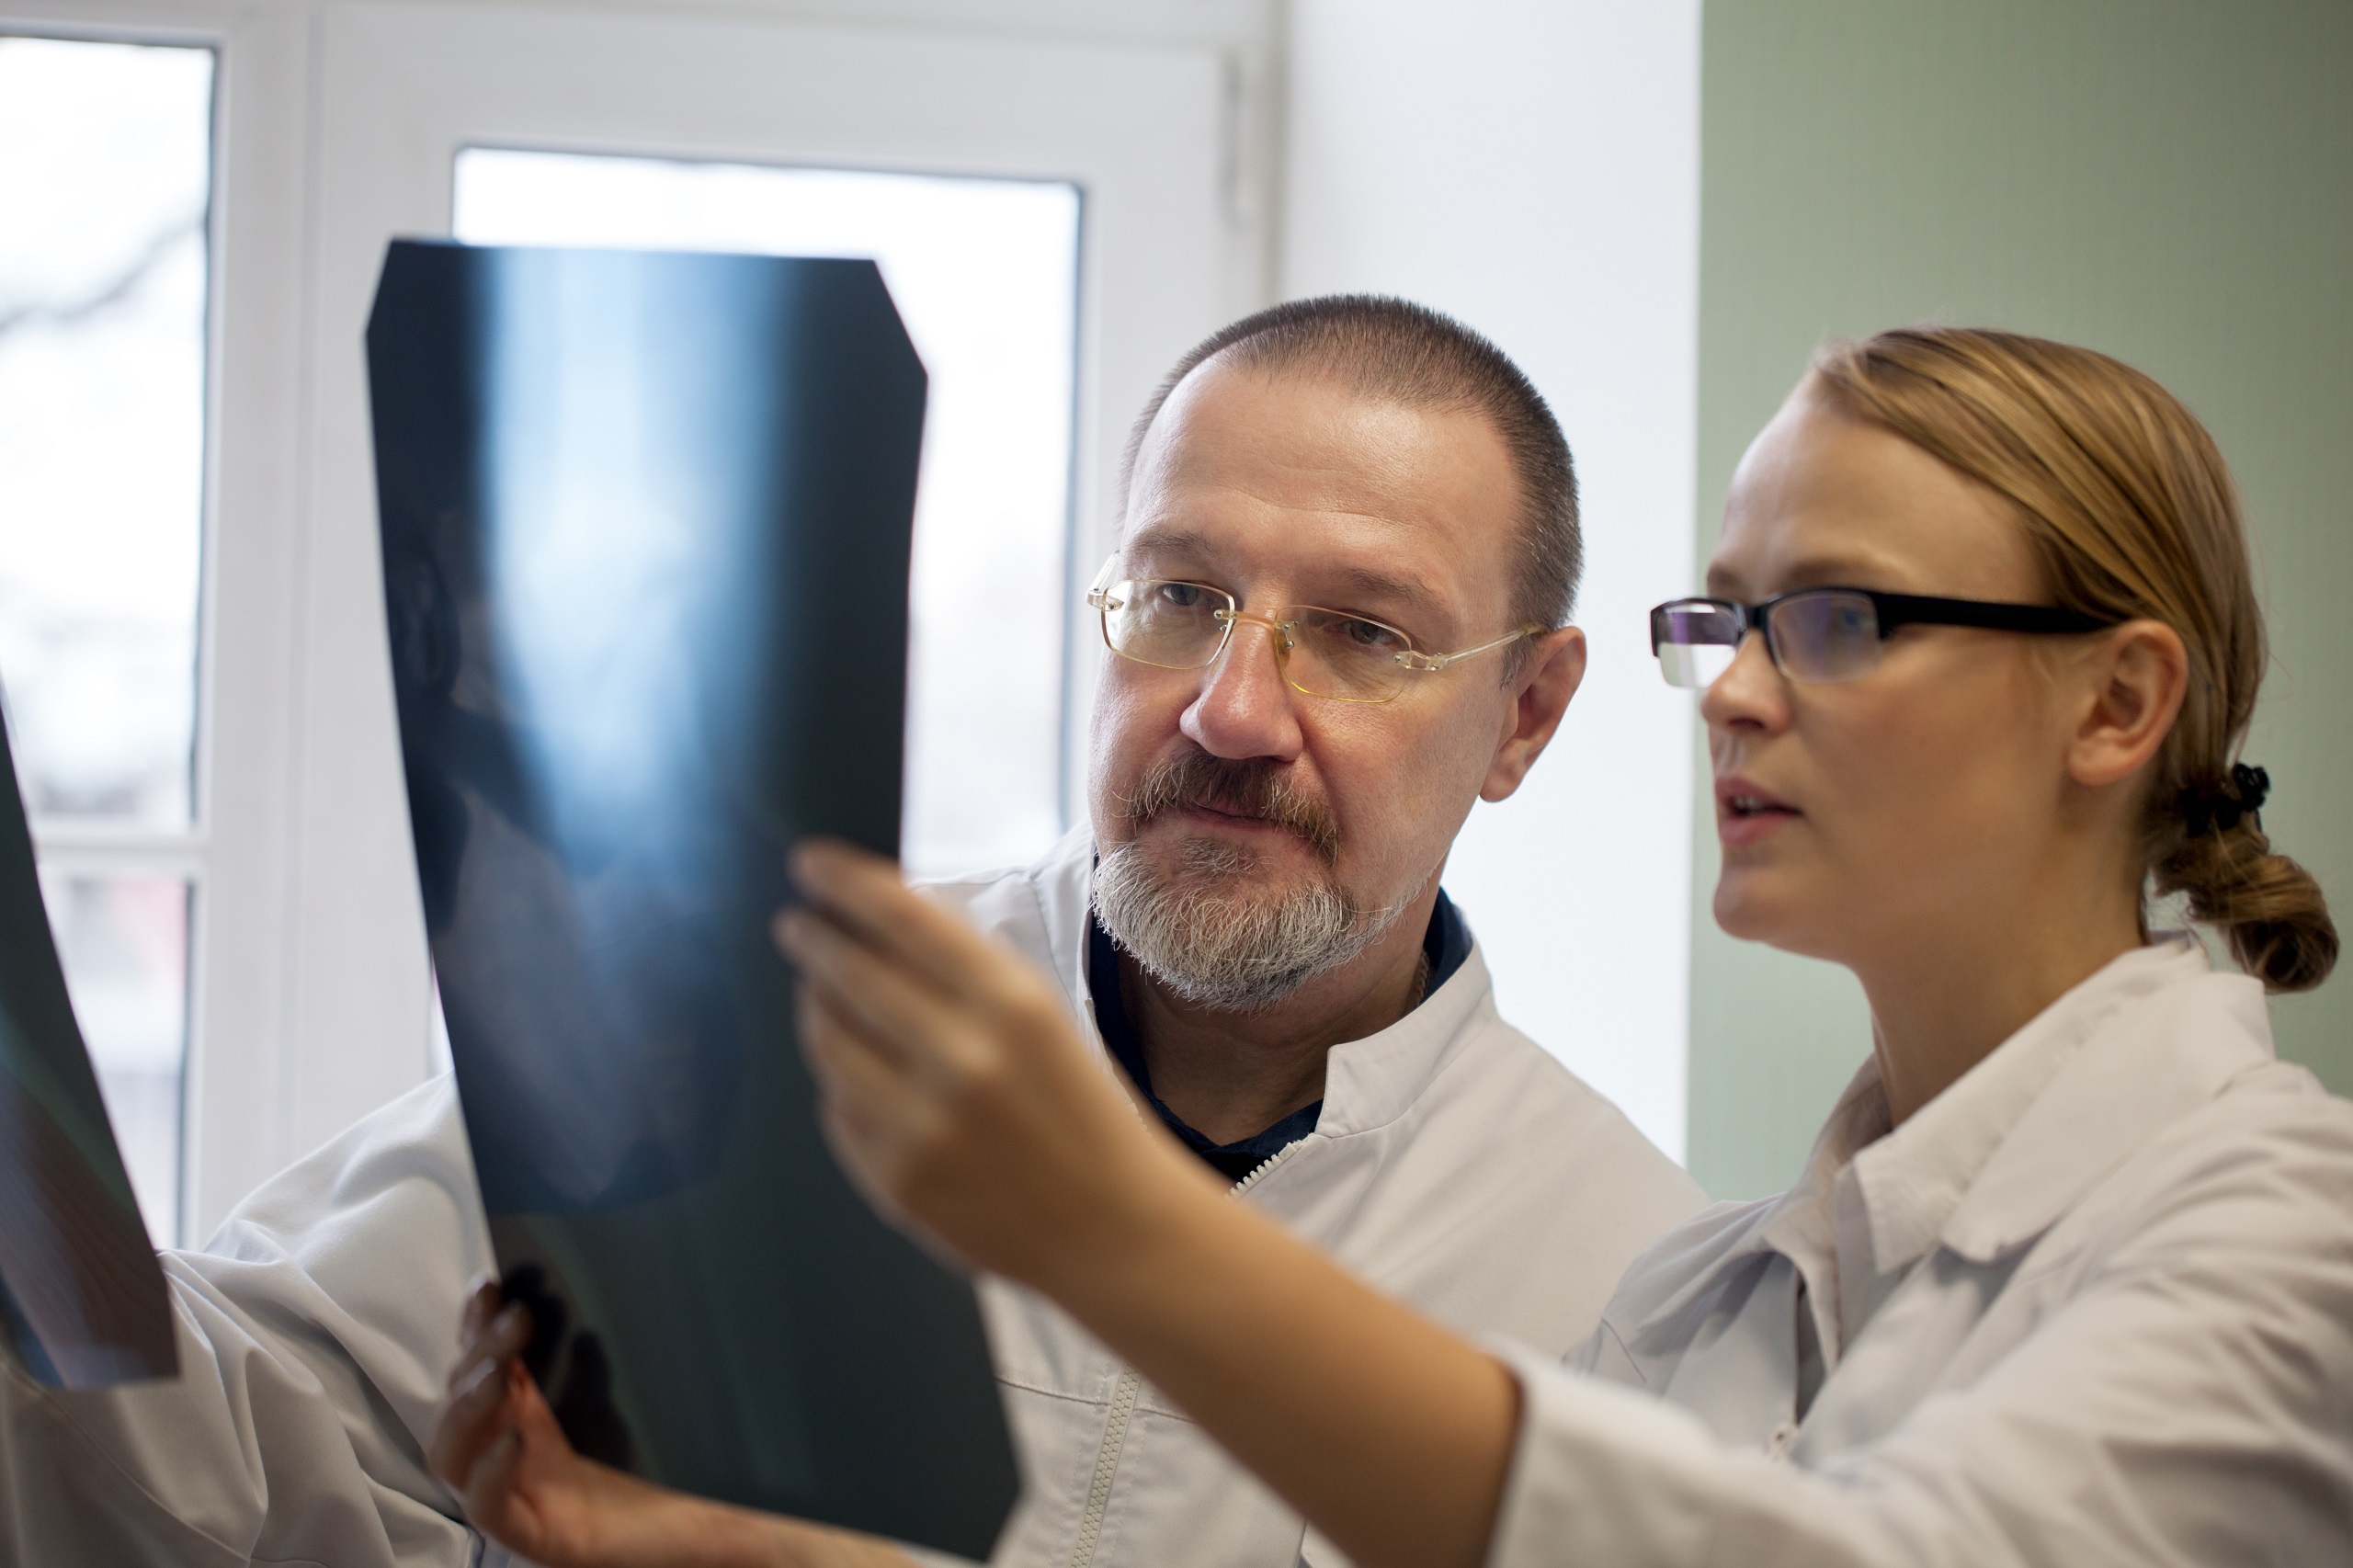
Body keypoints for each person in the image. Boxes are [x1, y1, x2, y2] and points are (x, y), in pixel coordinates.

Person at [437, 324, 2353, 1567]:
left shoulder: (2285, 1245)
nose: (1731, 701)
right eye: (1729, 618)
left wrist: (1101, 1220)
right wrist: (714, 1546)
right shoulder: (1702, 1303)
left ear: (2114, 706)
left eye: (1833, 622)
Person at [0, 296, 1703, 1568]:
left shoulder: (1641, 1294)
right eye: (1181, 595)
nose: (1231, 708)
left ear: (1529, 715)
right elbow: (217, 1431)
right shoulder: (762, 1029)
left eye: (1361, 632)